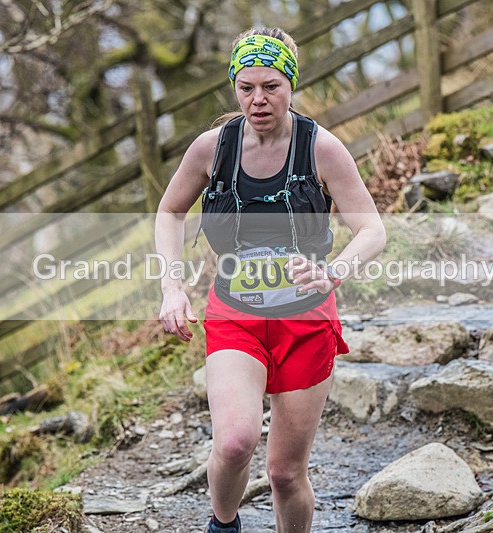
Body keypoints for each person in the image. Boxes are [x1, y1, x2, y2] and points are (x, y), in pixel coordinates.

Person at [155, 27, 385, 533]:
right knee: (234, 442)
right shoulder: (212, 149)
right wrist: (172, 286)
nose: (258, 100)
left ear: (291, 84)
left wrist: (333, 272)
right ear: (234, 86)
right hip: (235, 314)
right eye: (247, 87)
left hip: (306, 318)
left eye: (272, 86)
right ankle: (223, 524)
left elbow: (372, 228)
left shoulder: (322, 149)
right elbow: (169, 211)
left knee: (284, 473)